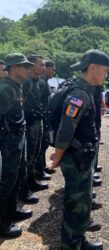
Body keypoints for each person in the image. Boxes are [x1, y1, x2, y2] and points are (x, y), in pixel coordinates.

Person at [49, 49, 109, 250]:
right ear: (93, 68)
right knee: (76, 205)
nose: (106, 75)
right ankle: (70, 245)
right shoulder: (79, 94)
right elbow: (66, 129)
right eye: (105, 70)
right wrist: (56, 157)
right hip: (75, 159)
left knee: (83, 203)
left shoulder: (86, 90)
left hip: (82, 157)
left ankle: (79, 240)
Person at [0, 53, 33, 238]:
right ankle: (3, 224)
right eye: (24, 66)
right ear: (13, 68)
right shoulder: (4, 89)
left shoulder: (15, 87)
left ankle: (11, 213)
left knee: (17, 177)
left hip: (16, 139)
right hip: (8, 143)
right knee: (7, 181)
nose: (28, 69)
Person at [21, 54, 49, 194]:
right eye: (41, 64)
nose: (44, 67)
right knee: (28, 154)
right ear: (31, 66)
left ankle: (32, 180)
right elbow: (21, 102)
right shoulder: (26, 82)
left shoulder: (38, 81)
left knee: (36, 152)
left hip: (38, 121)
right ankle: (25, 187)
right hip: (30, 123)